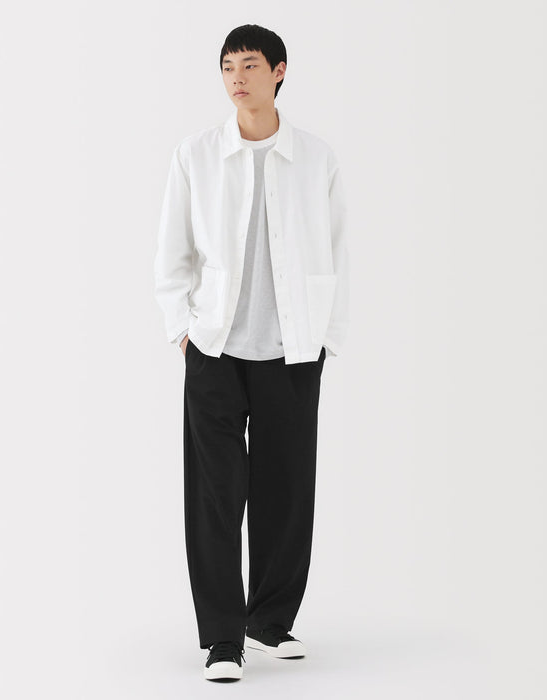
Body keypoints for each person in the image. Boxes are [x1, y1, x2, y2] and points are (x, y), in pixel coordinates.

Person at [153, 23, 350, 682]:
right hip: (214, 349)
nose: (236, 78)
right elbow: (172, 252)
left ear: (279, 71)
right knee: (215, 497)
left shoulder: (316, 158)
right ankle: (222, 638)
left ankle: (268, 621)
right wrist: (182, 329)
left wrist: (326, 336)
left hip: (293, 350)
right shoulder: (197, 155)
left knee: (286, 491)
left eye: (250, 65)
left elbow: (340, 250)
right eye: (228, 67)